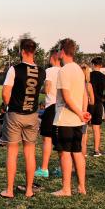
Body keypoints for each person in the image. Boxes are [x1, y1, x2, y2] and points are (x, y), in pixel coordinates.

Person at [0, 38, 45, 198]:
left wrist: (8, 105)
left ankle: (10, 190)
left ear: (22, 51)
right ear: (34, 51)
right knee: (29, 153)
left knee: (12, 152)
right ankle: (29, 190)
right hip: (32, 116)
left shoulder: (14, 69)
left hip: (15, 115)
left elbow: (5, 93)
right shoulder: (41, 70)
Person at [52, 38, 91, 197]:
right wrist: (83, 112)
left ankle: (66, 189)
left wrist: (80, 113)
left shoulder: (64, 70)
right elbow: (84, 94)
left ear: (62, 51)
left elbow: (66, 97)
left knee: (65, 153)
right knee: (77, 152)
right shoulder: (78, 70)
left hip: (65, 119)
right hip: (77, 120)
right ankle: (81, 187)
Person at [36, 49, 61, 178]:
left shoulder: (50, 71)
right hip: (63, 108)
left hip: (52, 107)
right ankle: (62, 168)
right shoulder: (65, 70)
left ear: (52, 58)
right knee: (61, 140)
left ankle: (44, 169)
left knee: (47, 138)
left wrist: (38, 90)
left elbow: (47, 88)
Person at [89, 57, 105, 156]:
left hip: (89, 103)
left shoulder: (89, 76)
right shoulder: (104, 77)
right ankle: (96, 149)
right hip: (99, 103)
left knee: (85, 128)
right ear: (101, 65)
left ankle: (83, 149)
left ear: (92, 64)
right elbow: (104, 92)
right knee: (96, 128)